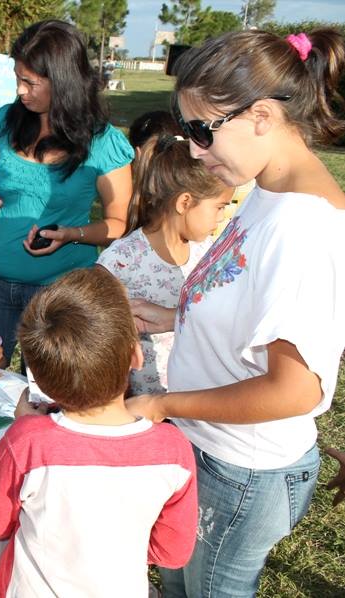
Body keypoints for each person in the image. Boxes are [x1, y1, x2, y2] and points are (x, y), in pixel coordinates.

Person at [125, 29, 345, 596]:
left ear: (263, 116)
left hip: (241, 469)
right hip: (214, 449)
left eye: (203, 131)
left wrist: (163, 404)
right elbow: (251, 306)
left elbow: (294, 389)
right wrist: (173, 316)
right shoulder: (267, 191)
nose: (195, 150)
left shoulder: (301, 229)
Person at [0, 267, 197, 598]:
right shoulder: (173, 449)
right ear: (135, 356)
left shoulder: (28, 441)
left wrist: (24, 427)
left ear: (40, 380)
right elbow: (171, 553)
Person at [0, 20, 134, 363]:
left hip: (58, 294)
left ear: (63, 81)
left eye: (30, 82)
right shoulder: (6, 121)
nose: (20, 91)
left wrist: (72, 234)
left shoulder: (103, 143)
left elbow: (119, 225)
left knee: (47, 387)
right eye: (18, 78)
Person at [96, 135, 233, 395]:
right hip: (139, 402)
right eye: (219, 207)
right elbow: (97, 333)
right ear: (184, 203)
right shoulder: (121, 260)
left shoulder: (209, 253)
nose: (222, 217)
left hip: (196, 395)